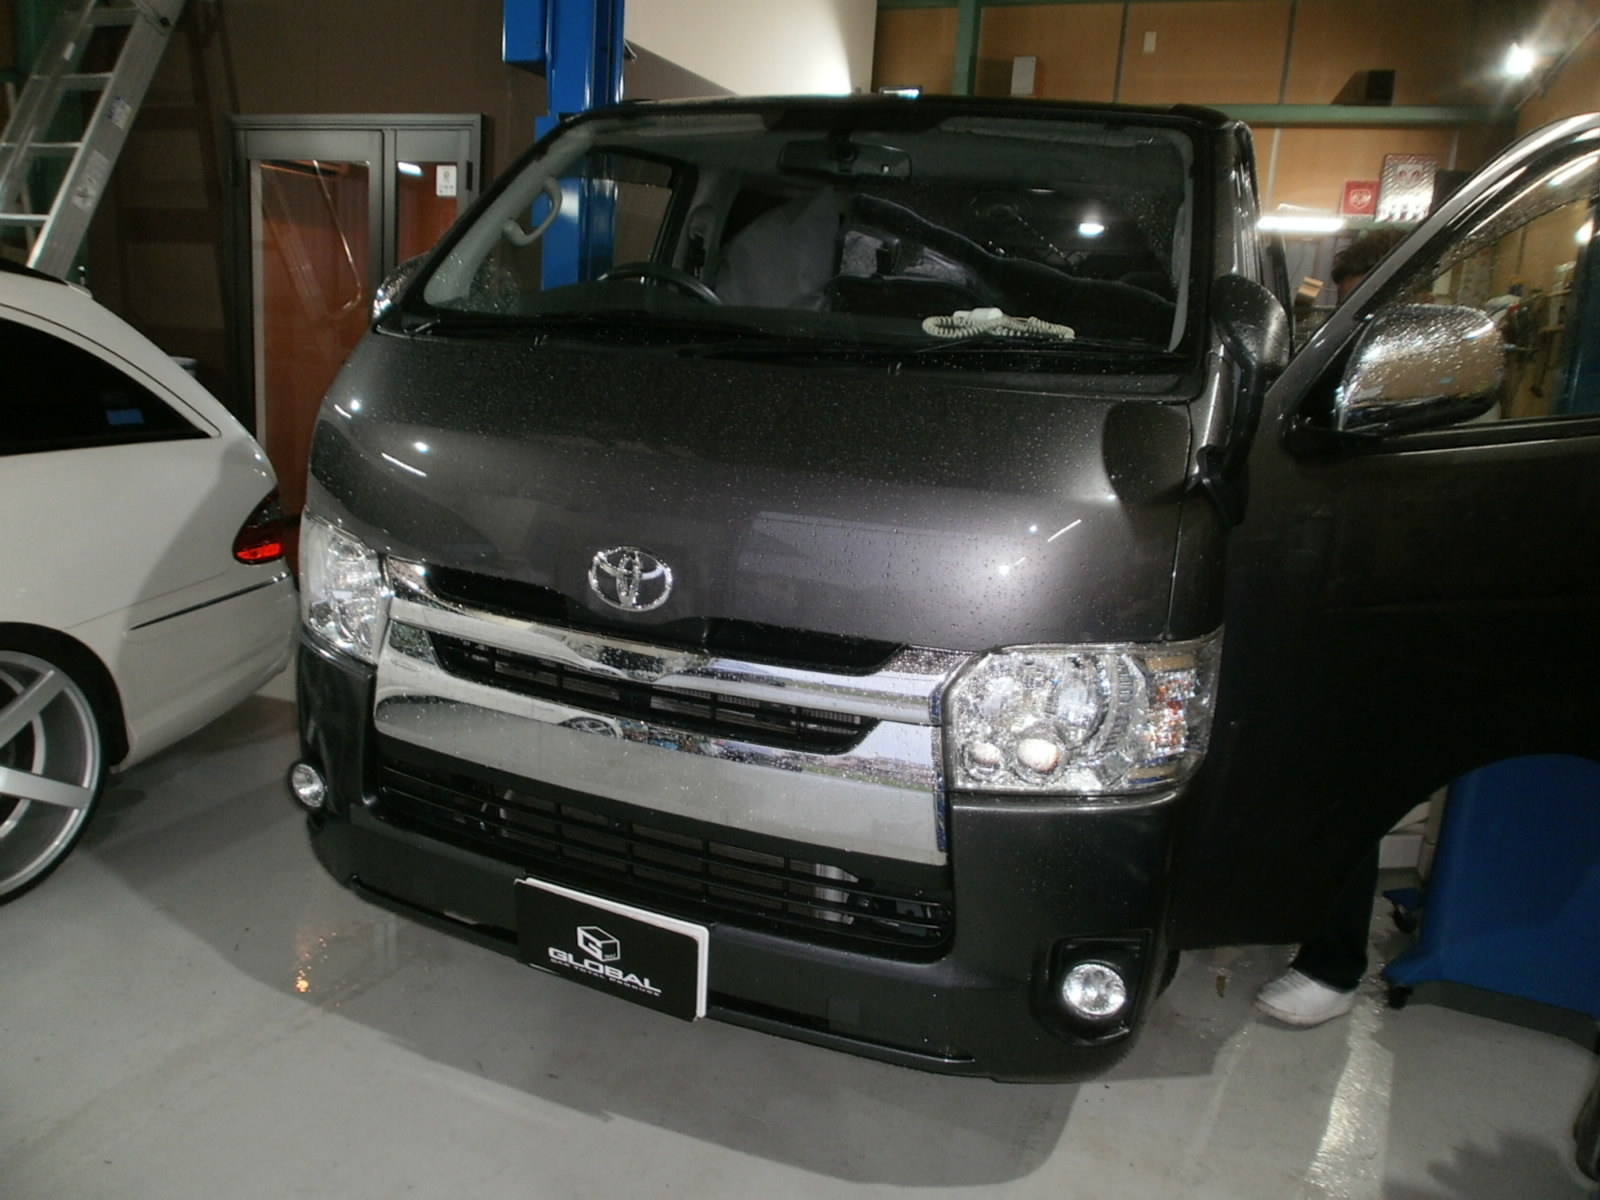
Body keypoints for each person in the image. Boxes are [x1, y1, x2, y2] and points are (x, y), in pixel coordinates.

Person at [1255, 228, 1405, 1028]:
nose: (1354, 318)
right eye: (1349, 302)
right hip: (1311, 584)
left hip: (1377, 595)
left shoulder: (1421, 378)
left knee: (1344, 780)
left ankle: (1335, 964)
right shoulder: (1337, 358)